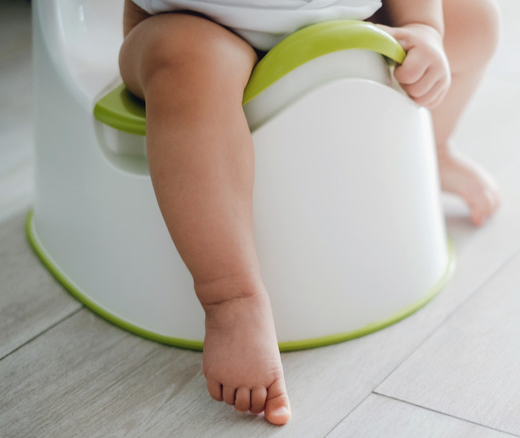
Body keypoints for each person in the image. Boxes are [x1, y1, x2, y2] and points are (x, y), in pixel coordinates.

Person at [119, 0, 500, 426]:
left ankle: (435, 148)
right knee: (189, 63)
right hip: (195, 24)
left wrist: (422, 25)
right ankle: (231, 298)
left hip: (348, 14)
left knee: (475, 21)